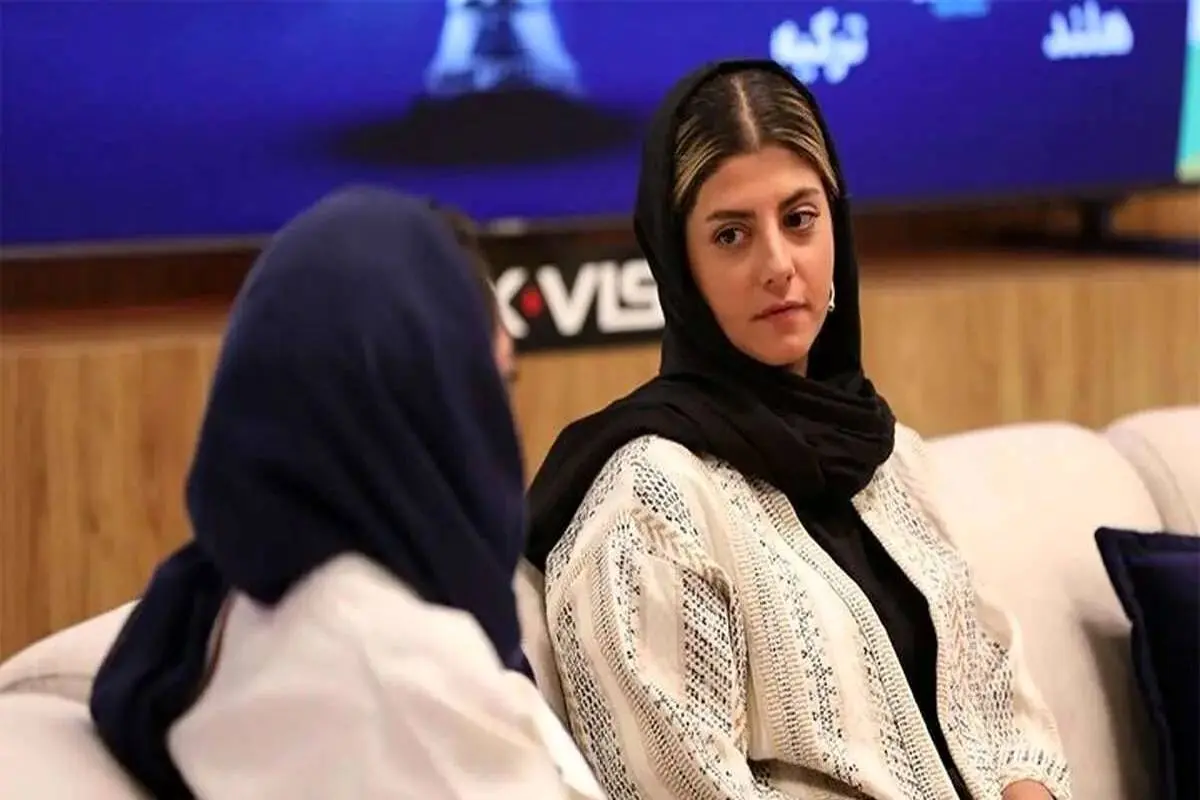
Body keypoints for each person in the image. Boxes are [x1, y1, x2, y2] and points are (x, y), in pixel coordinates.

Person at [524, 60, 1071, 800]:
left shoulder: (890, 458)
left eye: (799, 219)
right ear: (678, 266)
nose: (778, 265)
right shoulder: (648, 508)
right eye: (731, 235)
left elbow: (1001, 708)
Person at [89, 186, 603, 800]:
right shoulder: (397, 669)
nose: (497, 433)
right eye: (486, 392)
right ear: (424, 410)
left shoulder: (214, 599)